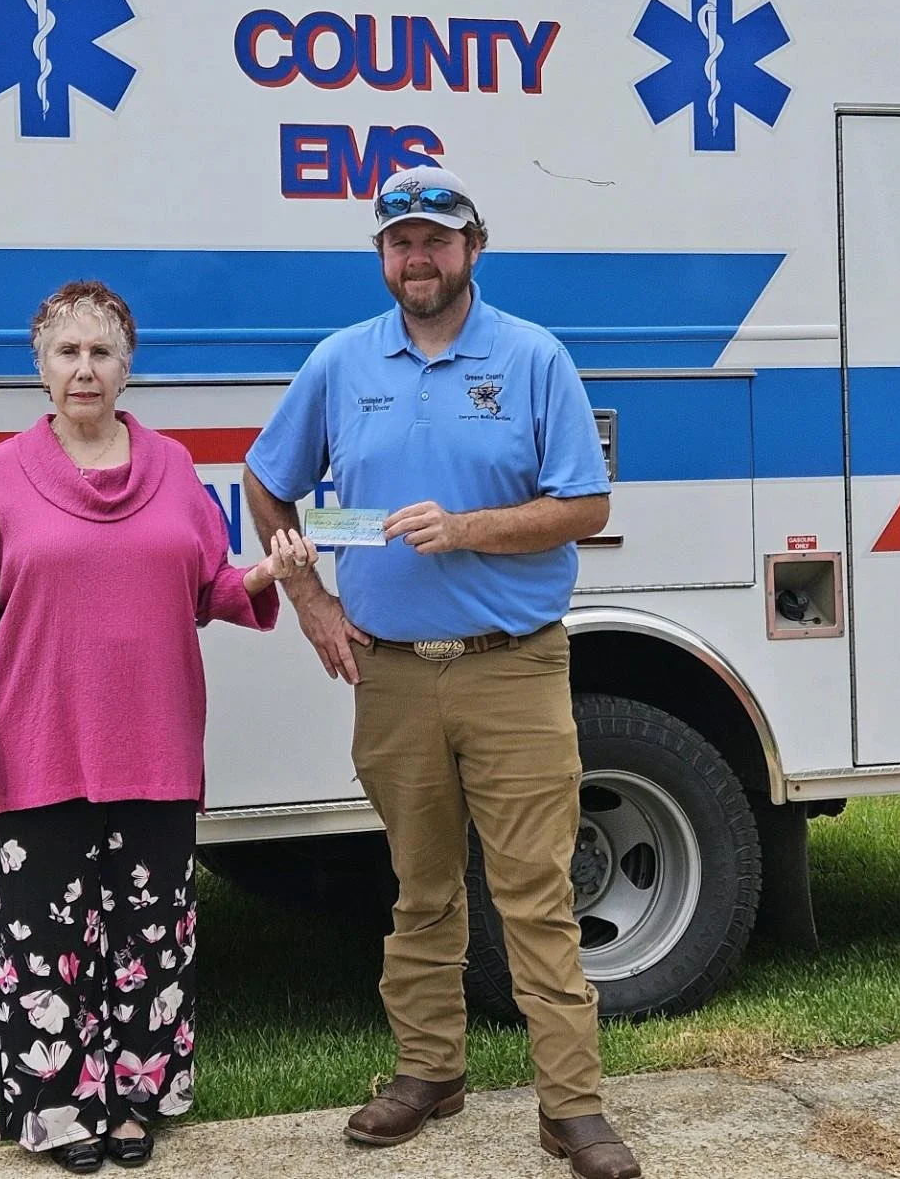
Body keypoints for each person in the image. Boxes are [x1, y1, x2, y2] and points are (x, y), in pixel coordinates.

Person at [243, 167, 641, 1179]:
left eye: (435, 240)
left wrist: (466, 530)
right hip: (393, 676)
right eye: (399, 242)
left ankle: (572, 1108)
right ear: (383, 257)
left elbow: (583, 506)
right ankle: (428, 1072)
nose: (416, 259)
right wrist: (314, 602)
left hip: (512, 668)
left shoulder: (531, 356)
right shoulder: (341, 362)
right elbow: (266, 481)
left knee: (535, 896)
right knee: (420, 890)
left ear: (473, 247)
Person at [0, 279, 315, 1174]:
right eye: (66, 353)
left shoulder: (174, 470)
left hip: (152, 744)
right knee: (42, 939)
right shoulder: (0, 475)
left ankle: (136, 1099)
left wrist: (266, 575)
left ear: (127, 366)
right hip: (36, 748)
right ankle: (61, 1111)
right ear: (40, 367)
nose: (84, 370)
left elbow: (207, 589)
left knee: (149, 935)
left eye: (101, 352)